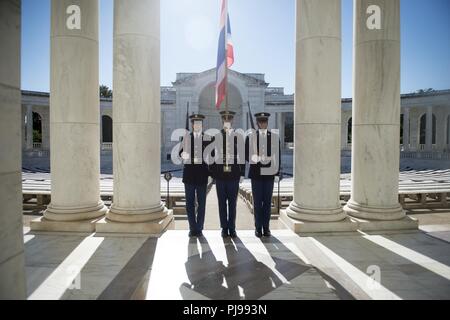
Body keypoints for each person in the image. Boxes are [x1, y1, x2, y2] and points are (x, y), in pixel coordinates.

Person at [210, 110, 245, 238]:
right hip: (220, 176)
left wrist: (242, 173)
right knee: (221, 203)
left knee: (232, 203)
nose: (227, 122)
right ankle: (224, 228)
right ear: (222, 121)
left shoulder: (238, 137)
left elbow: (242, 156)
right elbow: (212, 156)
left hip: (234, 176)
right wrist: (213, 173)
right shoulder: (216, 137)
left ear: (232, 121)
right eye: (225, 120)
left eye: (229, 120)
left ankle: (232, 227)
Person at [245, 112, 281, 238]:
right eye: (260, 122)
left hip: (269, 174)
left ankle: (266, 228)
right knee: (257, 203)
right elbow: (246, 155)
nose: (263, 124)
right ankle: (258, 227)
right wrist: (252, 157)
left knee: (267, 203)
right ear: (257, 123)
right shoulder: (251, 137)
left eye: (264, 121)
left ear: (267, 123)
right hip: (256, 175)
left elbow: (277, 155)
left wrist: (277, 173)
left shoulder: (274, 137)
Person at [180, 114, 211, 237]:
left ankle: (199, 227)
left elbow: (213, 156)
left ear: (201, 125)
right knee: (190, 203)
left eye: (199, 123)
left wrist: (211, 173)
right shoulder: (186, 138)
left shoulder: (208, 138)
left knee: (202, 203)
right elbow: (180, 153)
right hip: (189, 176)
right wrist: (184, 155)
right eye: (195, 123)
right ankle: (192, 227)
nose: (197, 125)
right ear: (192, 125)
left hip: (202, 175)